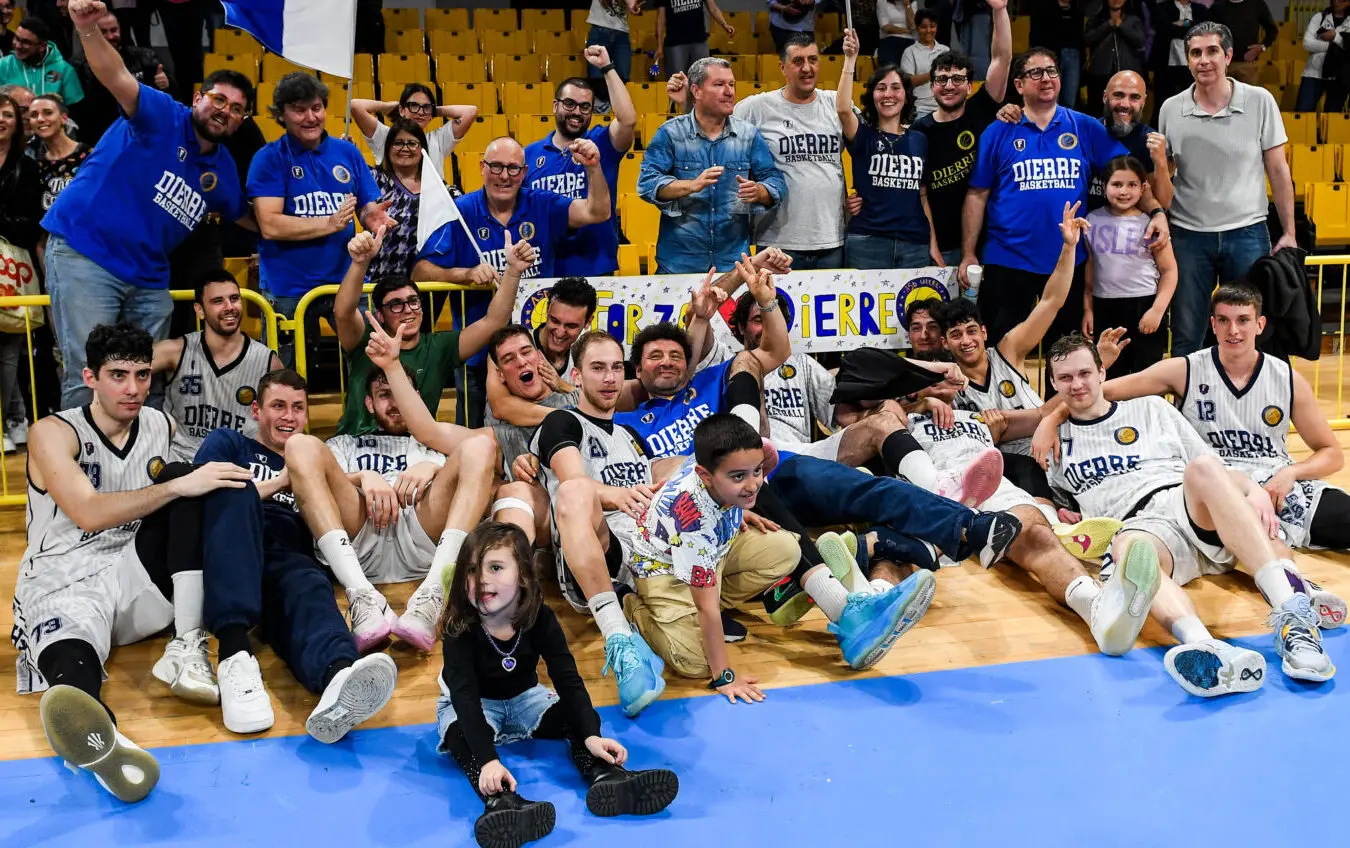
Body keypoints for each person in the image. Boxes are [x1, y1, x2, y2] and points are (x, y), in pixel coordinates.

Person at [14, 323, 254, 803]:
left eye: (142, 375)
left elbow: (202, 487)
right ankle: (103, 739)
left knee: (198, 480)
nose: (132, 388)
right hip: (64, 575)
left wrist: (281, 481)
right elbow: (87, 512)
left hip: (136, 571)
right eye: (118, 375)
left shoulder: (160, 424)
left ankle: (187, 648)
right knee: (71, 656)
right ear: (90, 377)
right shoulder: (52, 432)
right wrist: (175, 486)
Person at [1040, 333, 1334, 695]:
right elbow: (1051, 498)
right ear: (1053, 383)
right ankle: (1206, 647)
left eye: (1084, 373)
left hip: (1185, 503)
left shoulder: (1152, 408)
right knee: (1131, 551)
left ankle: (1294, 617)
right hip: (1140, 525)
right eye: (1065, 378)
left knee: (1203, 469)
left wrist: (1252, 488)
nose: (1077, 384)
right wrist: (1060, 513)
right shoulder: (1053, 443)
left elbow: (1214, 467)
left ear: (1103, 372)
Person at [44, 0, 254, 411]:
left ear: (241, 121)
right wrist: (87, 28)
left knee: (147, 375)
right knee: (89, 373)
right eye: (218, 99)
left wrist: (326, 222)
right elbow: (115, 74)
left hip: (149, 276)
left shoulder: (223, 170)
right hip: (87, 256)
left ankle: (148, 465)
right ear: (198, 97)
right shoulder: (160, 112)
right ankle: (80, 470)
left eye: (236, 109)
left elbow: (250, 217)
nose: (224, 110)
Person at [625, 413, 943, 683]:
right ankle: (631, 605)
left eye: (757, 472)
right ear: (705, 476)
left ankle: (851, 603)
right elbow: (707, 607)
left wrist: (739, 509)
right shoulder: (692, 520)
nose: (752, 485)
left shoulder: (717, 468)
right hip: (661, 572)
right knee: (695, 664)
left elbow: (726, 489)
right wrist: (724, 678)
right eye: (739, 477)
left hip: (707, 552)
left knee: (786, 549)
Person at [435, 522, 679, 848]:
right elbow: (464, 699)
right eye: (472, 569)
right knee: (459, 735)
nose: (481, 579)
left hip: (526, 699)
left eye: (495, 567)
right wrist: (489, 760)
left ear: (522, 575)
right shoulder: (459, 629)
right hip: (474, 706)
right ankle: (502, 803)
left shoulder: (541, 618)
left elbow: (568, 679)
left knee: (573, 715)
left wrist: (592, 733)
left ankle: (603, 772)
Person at [1075, 285, 1350, 569]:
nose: (1233, 330)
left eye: (1243, 320)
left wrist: (1291, 471)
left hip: (1276, 485)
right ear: (1213, 325)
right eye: (1223, 320)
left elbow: (1332, 452)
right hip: (1214, 490)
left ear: (1260, 324)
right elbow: (1094, 394)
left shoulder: (1286, 378)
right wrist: (1051, 420)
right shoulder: (1186, 369)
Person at [196, 368, 400, 739]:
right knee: (237, 506)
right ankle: (235, 654)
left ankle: (337, 679)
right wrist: (278, 482)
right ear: (256, 410)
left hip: (287, 554)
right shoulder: (229, 443)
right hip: (235, 545)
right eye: (278, 406)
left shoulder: (311, 461)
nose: (288, 417)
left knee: (308, 586)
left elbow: (336, 494)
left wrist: (366, 477)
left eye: (297, 408)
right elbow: (204, 495)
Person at [286, 364, 503, 654]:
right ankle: (361, 595)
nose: (395, 402)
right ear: (369, 403)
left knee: (481, 446)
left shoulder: (430, 447)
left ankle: (435, 592)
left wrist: (432, 467)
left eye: (401, 394)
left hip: (422, 533)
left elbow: (477, 478)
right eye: (384, 394)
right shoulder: (345, 444)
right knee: (300, 445)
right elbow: (309, 480)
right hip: (360, 535)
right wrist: (363, 476)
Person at [960, 48, 1158, 353]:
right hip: (1007, 259)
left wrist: (1156, 211)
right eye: (1035, 73)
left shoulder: (1084, 126)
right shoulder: (997, 131)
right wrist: (969, 253)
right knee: (1003, 350)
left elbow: (1129, 176)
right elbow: (977, 195)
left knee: (1065, 354)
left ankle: (1062, 404)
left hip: (1068, 260)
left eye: (1052, 71)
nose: (1046, 78)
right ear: (1018, 85)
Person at [525, 331, 677, 716]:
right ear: (575, 377)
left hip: (648, 550)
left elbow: (665, 472)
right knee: (577, 492)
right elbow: (572, 481)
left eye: (616, 368)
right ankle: (617, 637)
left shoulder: (630, 434)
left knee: (713, 465)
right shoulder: (562, 422)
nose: (609, 378)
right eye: (597, 369)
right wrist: (613, 495)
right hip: (595, 551)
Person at [415, 135, 610, 427]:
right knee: (475, 435)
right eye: (496, 167)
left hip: (537, 353)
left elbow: (598, 212)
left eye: (513, 169)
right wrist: (464, 274)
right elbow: (420, 271)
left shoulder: (542, 204)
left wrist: (594, 168)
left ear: (524, 172)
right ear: (482, 167)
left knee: (538, 432)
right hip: (479, 352)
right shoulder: (460, 211)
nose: (504, 176)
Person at [1158, 22, 1295, 357]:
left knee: (1249, 334)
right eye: (1195, 53)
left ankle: (1249, 407)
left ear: (1228, 55)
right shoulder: (1170, 109)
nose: (1203, 60)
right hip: (1189, 235)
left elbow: (1278, 169)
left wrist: (1289, 231)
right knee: (1188, 334)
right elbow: (1164, 176)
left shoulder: (1260, 101)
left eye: (1212, 51)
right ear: (1187, 59)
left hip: (1247, 232)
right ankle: (1186, 410)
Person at [248, 71, 394, 368]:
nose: (310, 117)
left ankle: (364, 416)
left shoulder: (347, 152)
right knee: (281, 373)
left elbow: (366, 207)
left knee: (369, 365)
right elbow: (270, 224)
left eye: (316, 108)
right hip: (286, 287)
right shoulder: (269, 158)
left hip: (346, 279)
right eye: (299, 110)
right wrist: (328, 224)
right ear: (282, 115)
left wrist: (373, 218)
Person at [335, 226, 526, 437]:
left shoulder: (438, 347)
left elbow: (493, 322)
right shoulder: (367, 339)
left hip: (415, 448)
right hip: (356, 444)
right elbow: (343, 313)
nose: (408, 310)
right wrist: (359, 263)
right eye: (396, 304)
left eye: (413, 302)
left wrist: (513, 271)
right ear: (380, 315)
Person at [638, 57, 785, 274]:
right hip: (678, 264)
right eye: (719, 84)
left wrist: (760, 191)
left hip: (734, 266)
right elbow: (647, 183)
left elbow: (775, 181)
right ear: (696, 91)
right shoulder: (670, 133)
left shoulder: (749, 135)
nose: (729, 92)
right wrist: (691, 185)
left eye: (731, 84)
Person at [909, 0, 1012, 267]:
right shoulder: (920, 131)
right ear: (931, 87)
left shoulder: (983, 109)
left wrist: (999, 10)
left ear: (969, 86)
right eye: (942, 79)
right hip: (941, 248)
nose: (949, 85)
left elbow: (1002, 58)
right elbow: (919, 195)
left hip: (990, 241)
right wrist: (932, 244)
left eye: (957, 79)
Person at [734, 34, 845, 270]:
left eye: (813, 60)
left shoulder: (836, 103)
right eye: (798, 61)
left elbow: (872, 143)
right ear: (783, 67)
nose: (807, 68)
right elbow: (715, 129)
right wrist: (687, 104)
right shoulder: (757, 107)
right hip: (777, 245)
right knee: (774, 308)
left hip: (832, 240)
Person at [523, 47, 636, 278]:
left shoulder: (602, 142)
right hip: (546, 269)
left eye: (585, 107)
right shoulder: (529, 155)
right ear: (555, 106)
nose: (577, 112)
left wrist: (607, 67)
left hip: (595, 266)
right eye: (569, 104)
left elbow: (627, 120)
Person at [154, 270, 280, 462]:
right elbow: (122, 368)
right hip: (183, 464)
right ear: (199, 310)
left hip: (239, 467)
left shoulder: (267, 361)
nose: (229, 307)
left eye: (234, 298)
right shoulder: (176, 351)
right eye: (218, 301)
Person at [838, 31, 935, 269]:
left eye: (896, 88)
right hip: (867, 242)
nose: (888, 94)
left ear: (906, 95)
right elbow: (842, 109)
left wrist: (932, 243)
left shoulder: (920, 139)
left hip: (914, 244)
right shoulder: (863, 134)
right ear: (872, 96)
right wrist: (850, 60)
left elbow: (922, 197)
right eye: (881, 88)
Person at [1083, 156, 1177, 378]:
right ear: (1104, 186)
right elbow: (1090, 265)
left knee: (1147, 375)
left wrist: (1157, 310)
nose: (1124, 191)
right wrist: (1088, 309)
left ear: (1143, 187)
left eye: (1132, 185)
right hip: (1105, 305)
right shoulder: (1092, 220)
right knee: (1110, 375)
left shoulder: (1151, 223)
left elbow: (1170, 271)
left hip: (1144, 304)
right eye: (1117, 185)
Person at [0, 90, 42, 450]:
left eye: (8, 114)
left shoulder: (28, 167)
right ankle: (12, 417)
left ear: (18, 123)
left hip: (13, 267)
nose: (1, 120)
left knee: (11, 346)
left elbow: (33, 224)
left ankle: (15, 420)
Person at [484, 323, 580, 480]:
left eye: (526, 352)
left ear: (539, 356)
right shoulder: (503, 425)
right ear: (500, 375)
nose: (521, 362)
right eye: (509, 359)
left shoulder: (577, 399)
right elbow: (441, 436)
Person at [72, 10, 171, 141]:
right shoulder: (79, 66)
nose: (110, 36)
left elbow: (169, 99)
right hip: (102, 135)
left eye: (114, 30)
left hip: (142, 130)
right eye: (103, 32)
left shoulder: (144, 57)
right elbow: (81, 112)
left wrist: (166, 84)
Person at [350, 82, 476, 180]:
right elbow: (356, 105)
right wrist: (389, 107)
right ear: (402, 110)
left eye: (426, 107)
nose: (420, 112)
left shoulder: (438, 140)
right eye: (414, 106)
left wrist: (434, 111)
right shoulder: (385, 136)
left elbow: (470, 112)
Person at [366, 117, 429, 282]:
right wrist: (347, 153)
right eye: (398, 143)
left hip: (422, 289)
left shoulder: (438, 188)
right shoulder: (373, 178)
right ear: (388, 148)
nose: (405, 148)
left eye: (412, 143)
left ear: (422, 149)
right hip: (376, 284)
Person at [0, 15, 82, 105]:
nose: (18, 46)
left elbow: (75, 109)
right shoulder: (3, 66)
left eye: (26, 42)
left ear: (42, 46)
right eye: (17, 38)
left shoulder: (64, 70)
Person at [28, 93, 89, 210]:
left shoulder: (90, 156)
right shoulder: (35, 166)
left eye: (48, 112)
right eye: (34, 115)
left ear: (64, 118)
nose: (40, 119)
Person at [1083, 0, 1146, 110]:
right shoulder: (1096, 17)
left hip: (1126, 73)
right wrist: (1108, 24)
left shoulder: (1133, 19)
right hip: (1100, 72)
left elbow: (1140, 41)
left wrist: (1121, 25)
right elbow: (1088, 39)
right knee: (1097, 109)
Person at [1151, 0, 1208, 113]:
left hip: (1194, 65)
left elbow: (1203, 29)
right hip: (1166, 65)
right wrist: (1190, 26)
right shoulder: (1162, 7)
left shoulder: (1200, 9)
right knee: (1164, 103)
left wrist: (1183, 23)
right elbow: (1165, 29)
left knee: (1193, 102)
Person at [1028, 0, 1085, 109]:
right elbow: (1035, 34)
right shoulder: (1042, 6)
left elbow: (1080, 35)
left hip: (1073, 55)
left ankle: (1066, 125)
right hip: (1049, 55)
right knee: (1050, 98)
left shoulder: (1077, 7)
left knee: (1069, 100)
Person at [655, 0, 734, 77]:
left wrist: (724, 24)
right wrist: (659, 45)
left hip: (699, 41)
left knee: (702, 78)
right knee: (677, 80)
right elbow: (661, 18)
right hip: (675, 44)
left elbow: (713, 8)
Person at [1298, 0, 1350, 113]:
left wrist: (1335, 37)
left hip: (1339, 76)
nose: (1337, 2)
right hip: (1313, 74)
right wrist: (1335, 46)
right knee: (1303, 113)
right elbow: (1307, 44)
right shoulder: (1319, 17)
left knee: (1332, 118)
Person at [1209, 0, 1278, 85]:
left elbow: (1272, 30)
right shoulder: (1217, 6)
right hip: (1223, 64)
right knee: (1222, 97)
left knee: (1249, 97)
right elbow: (1208, 32)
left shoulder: (1257, 4)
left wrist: (1261, 47)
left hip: (1248, 64)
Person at [584, 0, 642, 96]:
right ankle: (599, 109)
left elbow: (633, 6)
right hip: (599, 30)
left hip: (621, 33)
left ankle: (618, 107)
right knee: (596, 77)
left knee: (623, 76)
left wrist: (635, 8)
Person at [900, 11, 948, 118]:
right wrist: (933, 73)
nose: (928, 31)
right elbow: (907, 81)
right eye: (923, 27)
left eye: (932, 26)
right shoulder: (910, 52)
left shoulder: (945, 50)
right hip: (919, 109)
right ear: (917, 28)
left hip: (944, 107)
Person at [876, 0, 916, 68]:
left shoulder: (912, 3)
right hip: (890, 39)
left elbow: (912, 25)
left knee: (910, 68)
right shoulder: (882, 2)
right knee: (891, 68)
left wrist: (907, 6)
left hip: (909, 41)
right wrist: (908, 31)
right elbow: (885, 27)